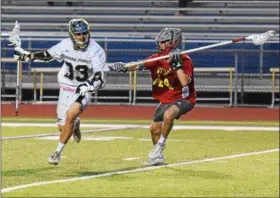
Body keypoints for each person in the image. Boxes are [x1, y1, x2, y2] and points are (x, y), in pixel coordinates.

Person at [13, 18, 107, 165]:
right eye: (78, 34)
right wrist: (27, 55)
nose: (82, 37)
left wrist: (89, 85)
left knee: (71, 114)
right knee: (62, 127)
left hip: (83, 89)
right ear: (72, 34)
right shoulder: (65, 44)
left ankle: (57, 153)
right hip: (66, 87)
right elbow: (48, 55)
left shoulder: (96, 50)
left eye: (84, 33)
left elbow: (99, 77)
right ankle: (75, 125)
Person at [109, 28, 196, 166]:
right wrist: (124, 67)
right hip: (166, 99)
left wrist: (177, 65)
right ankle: (158, 157)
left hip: (183, 98)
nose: (159, 45)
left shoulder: (185, 59)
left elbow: (184, 82)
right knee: (154, 129)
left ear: (171, 43)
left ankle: (161, 145)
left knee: (168, 115)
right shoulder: (157, 58)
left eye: (162, 42)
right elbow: (139, 65)